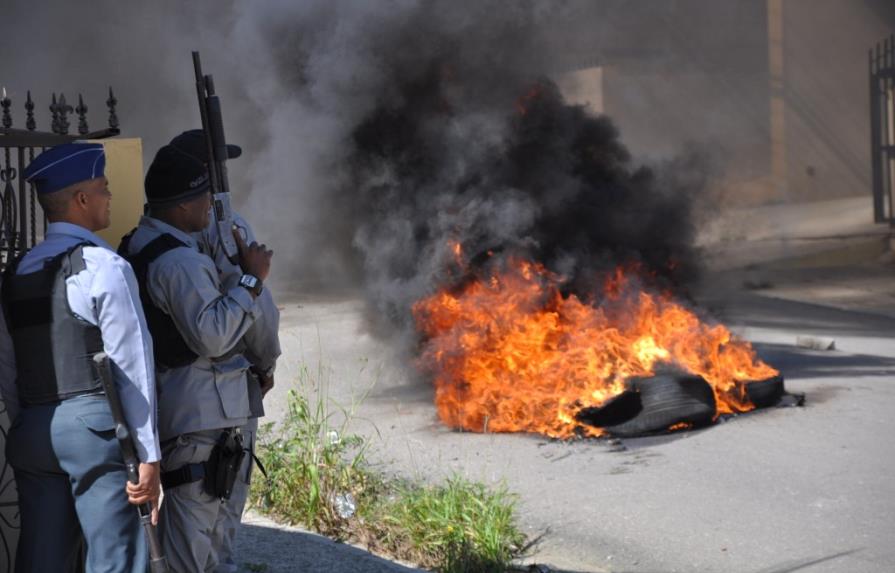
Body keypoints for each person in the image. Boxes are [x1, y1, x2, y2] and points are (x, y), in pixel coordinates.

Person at [0, 142, 161, 572]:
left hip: (33, 430)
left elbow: (8, 368)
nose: (111, 197)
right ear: (82, 199)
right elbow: (132, 367)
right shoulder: (103, 266)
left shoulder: (15, 275)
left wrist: (29, 420)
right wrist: (148, 455)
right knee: (116, 559)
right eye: (104, 188)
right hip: (93, 431)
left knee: (41, 560)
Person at [118, 143, 273, 572]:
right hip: (199, 419)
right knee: (193, 551)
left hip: (192, 414)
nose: (210, 205)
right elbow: (214, 336)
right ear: (184, 206)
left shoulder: (145, 243)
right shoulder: (180, 261)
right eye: (204, 197)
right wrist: (250, 279)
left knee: (206, 546)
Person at [169, 129, 281, 573]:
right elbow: (259, 310)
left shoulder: (164, 237)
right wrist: (267, 362)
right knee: (217, 529)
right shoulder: (229, 226)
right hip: (224, 397)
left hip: (181, 404)